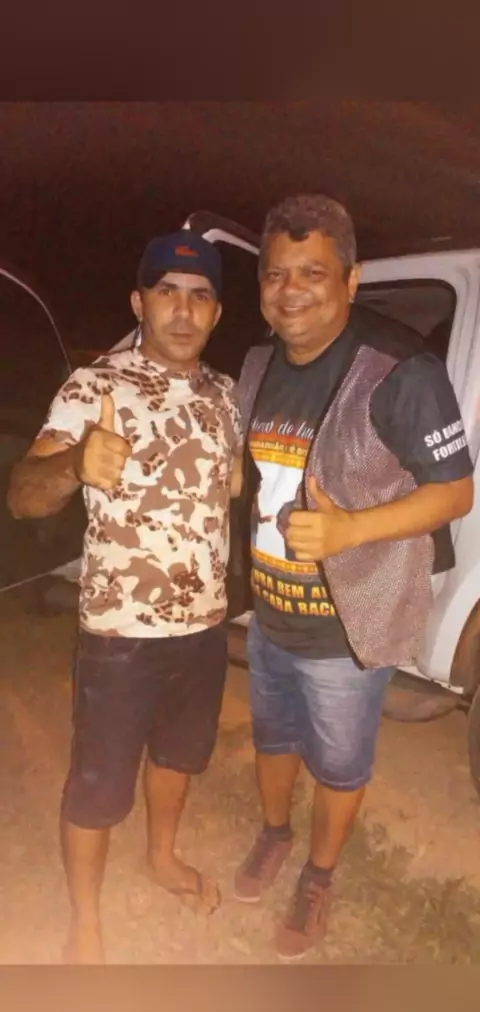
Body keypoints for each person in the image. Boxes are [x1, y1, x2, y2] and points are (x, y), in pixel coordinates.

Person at [233, 194, 474, 960]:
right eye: (276, 274)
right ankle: (275, 834)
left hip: (348, 629)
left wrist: (350, 530)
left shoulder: (399, 371)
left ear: (351, 278)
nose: (290, 291)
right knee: (274, 739)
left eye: (313, 273)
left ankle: (319, 875)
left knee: (339, 763)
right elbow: (248, 472)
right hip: (270, 616)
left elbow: (455, 492)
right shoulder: (258, 363)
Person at [8, 230, 243, 964]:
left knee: (178, 757)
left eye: (199, 296)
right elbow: (24, 496)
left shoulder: (226, 396)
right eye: (167, 293)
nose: (183, 310)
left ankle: (162, 858)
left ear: (217, 312)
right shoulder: (94, 387)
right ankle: (86, 922)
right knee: (98, 784)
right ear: (139, 303)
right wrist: (78, 462)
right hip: (120, 633)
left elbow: (229, 485)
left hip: (204, 627)